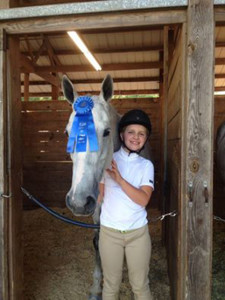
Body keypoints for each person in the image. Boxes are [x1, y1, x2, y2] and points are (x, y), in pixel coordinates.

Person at [98, 109, 154, 300]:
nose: (136, 137)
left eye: (141, 134)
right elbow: (99, 197)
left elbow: (143, 199)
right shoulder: (108, 160)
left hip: (137, 234)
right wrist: (94, 173)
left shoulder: (146, 166)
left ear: (145, 139)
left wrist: (119, 180)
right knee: (111, 286)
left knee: (140, 286)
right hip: (109, 234)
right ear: (122, 135)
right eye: (131, 132)